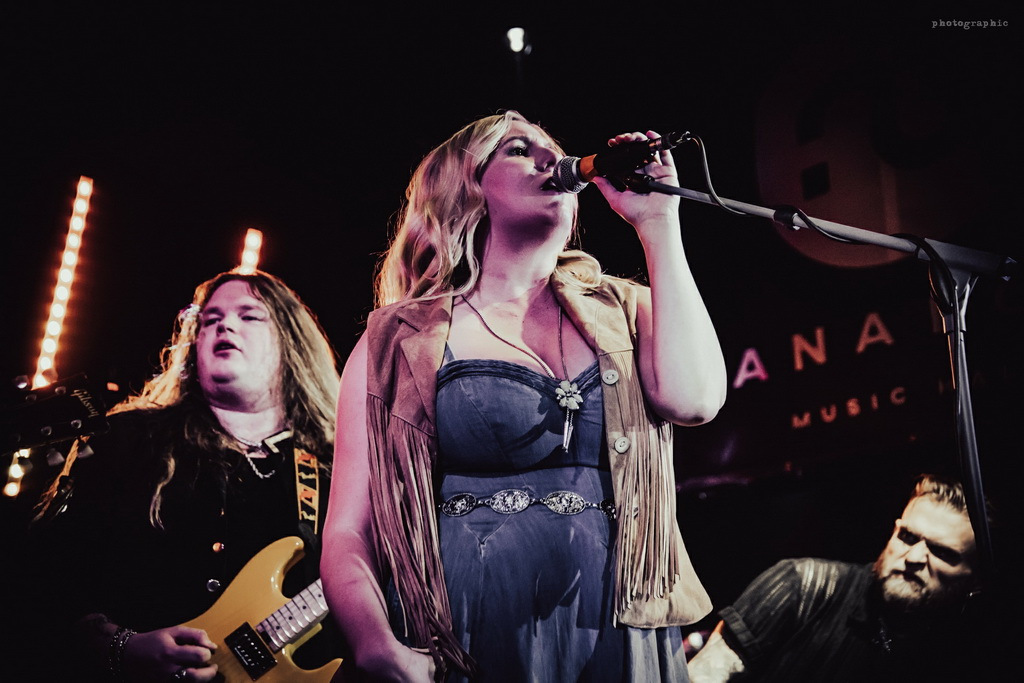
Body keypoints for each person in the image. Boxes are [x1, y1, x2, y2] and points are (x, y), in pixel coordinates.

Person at [320, 110, 728, 682]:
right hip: (470, 619)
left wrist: (659, 223)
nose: (549, 158)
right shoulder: (398, 339)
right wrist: (374, 643)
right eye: (517, 149)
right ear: (464, 189)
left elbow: (696, 400)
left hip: (615, 620)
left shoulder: (626, 308)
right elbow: (348, 528)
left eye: (551, 148)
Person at [28, 269, 341, 682]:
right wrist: (119, 648)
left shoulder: (336, 469)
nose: (225, 325)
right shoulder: (127, 439)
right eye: (210, 320)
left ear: (292, 342)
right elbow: (43, 576)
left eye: (249, 316)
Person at [686, 473, 989, 682]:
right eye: (907, 537)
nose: (913, 558)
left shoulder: (969, 656)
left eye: (942, 552)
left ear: (976, 580)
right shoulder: (800, 585)